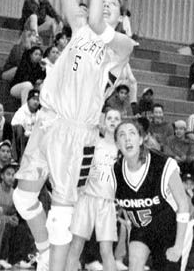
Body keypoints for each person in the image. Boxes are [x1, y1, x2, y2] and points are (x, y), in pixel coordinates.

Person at [13, 0, 135, 271]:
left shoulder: (120, 47)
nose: (106, 4)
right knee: (23, 199)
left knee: (61, 214)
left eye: (112, 3)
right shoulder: (80, 29)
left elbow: (97, 19)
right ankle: (42, 252)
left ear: (121, 16)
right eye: (103, 1)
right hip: (48, 122)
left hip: (76, 133)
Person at [114, 119, 189, 271]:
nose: (127, 138)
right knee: (134, 266)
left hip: (169, 230)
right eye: (122, 135)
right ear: (117, 143)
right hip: (141, 229)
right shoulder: (114, 172)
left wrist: (178, 246)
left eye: (132, 133)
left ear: (141, 139)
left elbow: (183, 205)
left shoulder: (163, 164)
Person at [66, 109, 122, 271]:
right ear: (103, 123)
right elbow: (76, 168)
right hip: (87, 198)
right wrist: (85, 174)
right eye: (109, 118)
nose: (112, 121)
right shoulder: (94, 143)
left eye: (116, 118)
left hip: (108, 203)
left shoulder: (123, 150)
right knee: (76, 245)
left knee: (106, 250)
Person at [165, 120, 194, 190]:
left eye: (181, 129)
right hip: (173, 163)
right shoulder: (169, 140)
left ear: (185, 130)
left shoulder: (190, 142)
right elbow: (166, 151)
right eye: (176, 129)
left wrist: (186, 158)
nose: (178, 131)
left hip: (185, 164)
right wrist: (174, 156)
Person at [11, 90, 40, 162]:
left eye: (38, 100)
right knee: (19, 129)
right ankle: (20, 158)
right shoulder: (21, 112)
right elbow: (15, 127)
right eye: (33, 99)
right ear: (28, 100)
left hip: (35, 139)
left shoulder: (40, 114)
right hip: (23, 139)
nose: (36, 102)